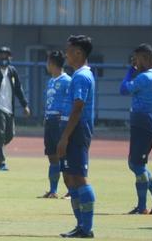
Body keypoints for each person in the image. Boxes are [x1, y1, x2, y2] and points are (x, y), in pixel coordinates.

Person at [119, 44, 152, 215]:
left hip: (143, 122)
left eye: (136, 58)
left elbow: (123, 89)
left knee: (137, 164)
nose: (135, 62)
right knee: (135, 163)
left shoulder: (144, 78)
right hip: (149, 122)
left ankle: (142, 207)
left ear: (145, 58)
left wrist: (130, 72)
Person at [56, 35, 96, 239]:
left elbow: (78, 107)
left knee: (79, 178)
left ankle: (86, 228)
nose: (65, 54)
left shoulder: (81, 77)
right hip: (72, 130)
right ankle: (80, 225)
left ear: (79, 53)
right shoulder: (79, 74)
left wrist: (64, 137)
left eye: (68, 50)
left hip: (77, 131)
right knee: (70, 179)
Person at [41, 50, 71, 199]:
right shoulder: (51, 80)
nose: (47, 65)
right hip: (49, 121)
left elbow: (71, 103)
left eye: (48, 62)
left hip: (60, 122)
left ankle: (71, 190)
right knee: (52, 156)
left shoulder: (67, 81)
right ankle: (53, 191)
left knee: (64, 157)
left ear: (52, 63)